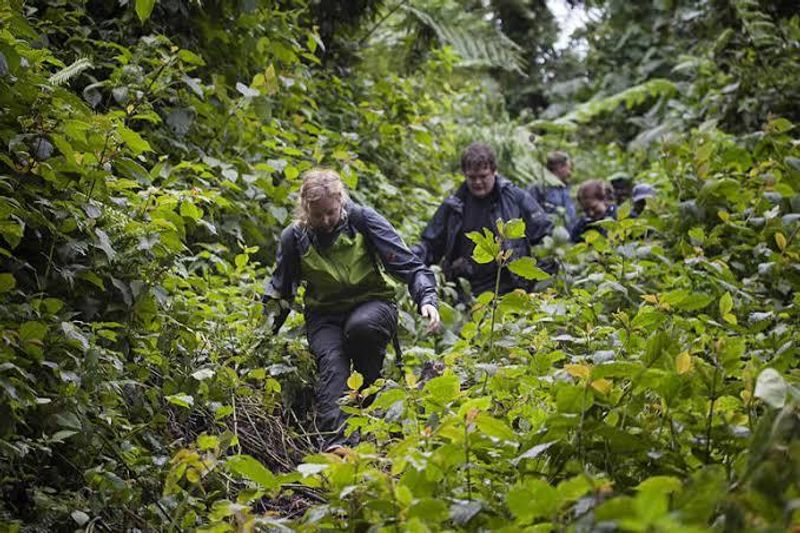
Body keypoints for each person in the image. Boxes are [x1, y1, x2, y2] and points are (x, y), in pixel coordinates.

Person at [264, 169, 440, 454]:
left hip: (373, 305)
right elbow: (280, 293)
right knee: (332, 365)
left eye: (331, 213)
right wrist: (260, 338)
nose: (325, 221)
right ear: (305, 209)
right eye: (317, 215)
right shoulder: (294, 238)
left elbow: (409, 264)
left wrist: (427, 298)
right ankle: (337, 447)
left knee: (361, 328)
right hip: (325, 317)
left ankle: (369, 398)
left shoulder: (363, 220)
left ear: (341, 201)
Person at [412, 142, 552, 297]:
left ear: (494, 172)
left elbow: (545, 237)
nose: (478, 182)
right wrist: (407, 258)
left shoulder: (515, 198)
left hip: (511, 286)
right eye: (472, 177)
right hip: (466, 290)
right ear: (464, 174)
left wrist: (539, 284)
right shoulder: (455, 205)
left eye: (483, 176)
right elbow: (430, 245)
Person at [529, 150, 578, 232]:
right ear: (559, 167)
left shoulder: (565, 188)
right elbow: (530, 212)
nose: (570, 172)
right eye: (568, 168)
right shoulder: (539, 187)